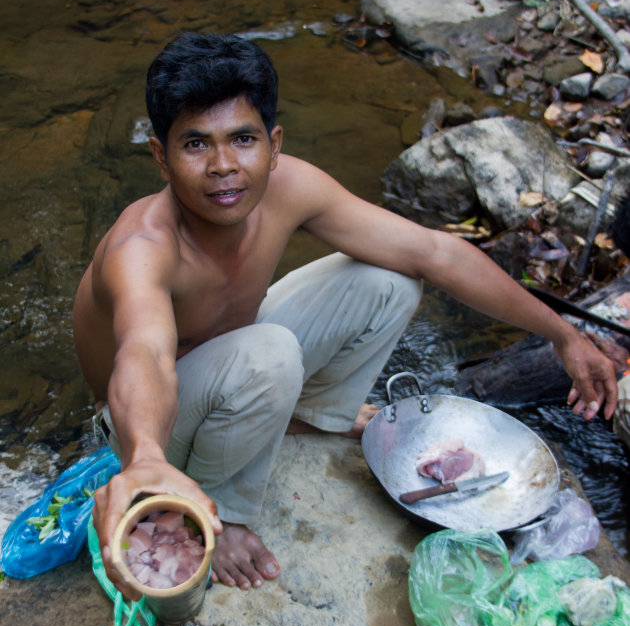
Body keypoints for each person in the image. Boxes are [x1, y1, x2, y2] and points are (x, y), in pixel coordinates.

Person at [73, 31, 617, 597]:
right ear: (161, 157)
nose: (224, 166)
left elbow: (434, 252)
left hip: (238, 360)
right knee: (271, 354)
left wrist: (562, 335)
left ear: (274, 143)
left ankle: (305, 413)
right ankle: (219, 509)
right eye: (195, 145)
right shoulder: (142, 246)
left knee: (389, 278)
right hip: (148, 423)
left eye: (242, 138)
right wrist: (145, 460)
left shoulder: (289, 187)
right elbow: (146, 352)